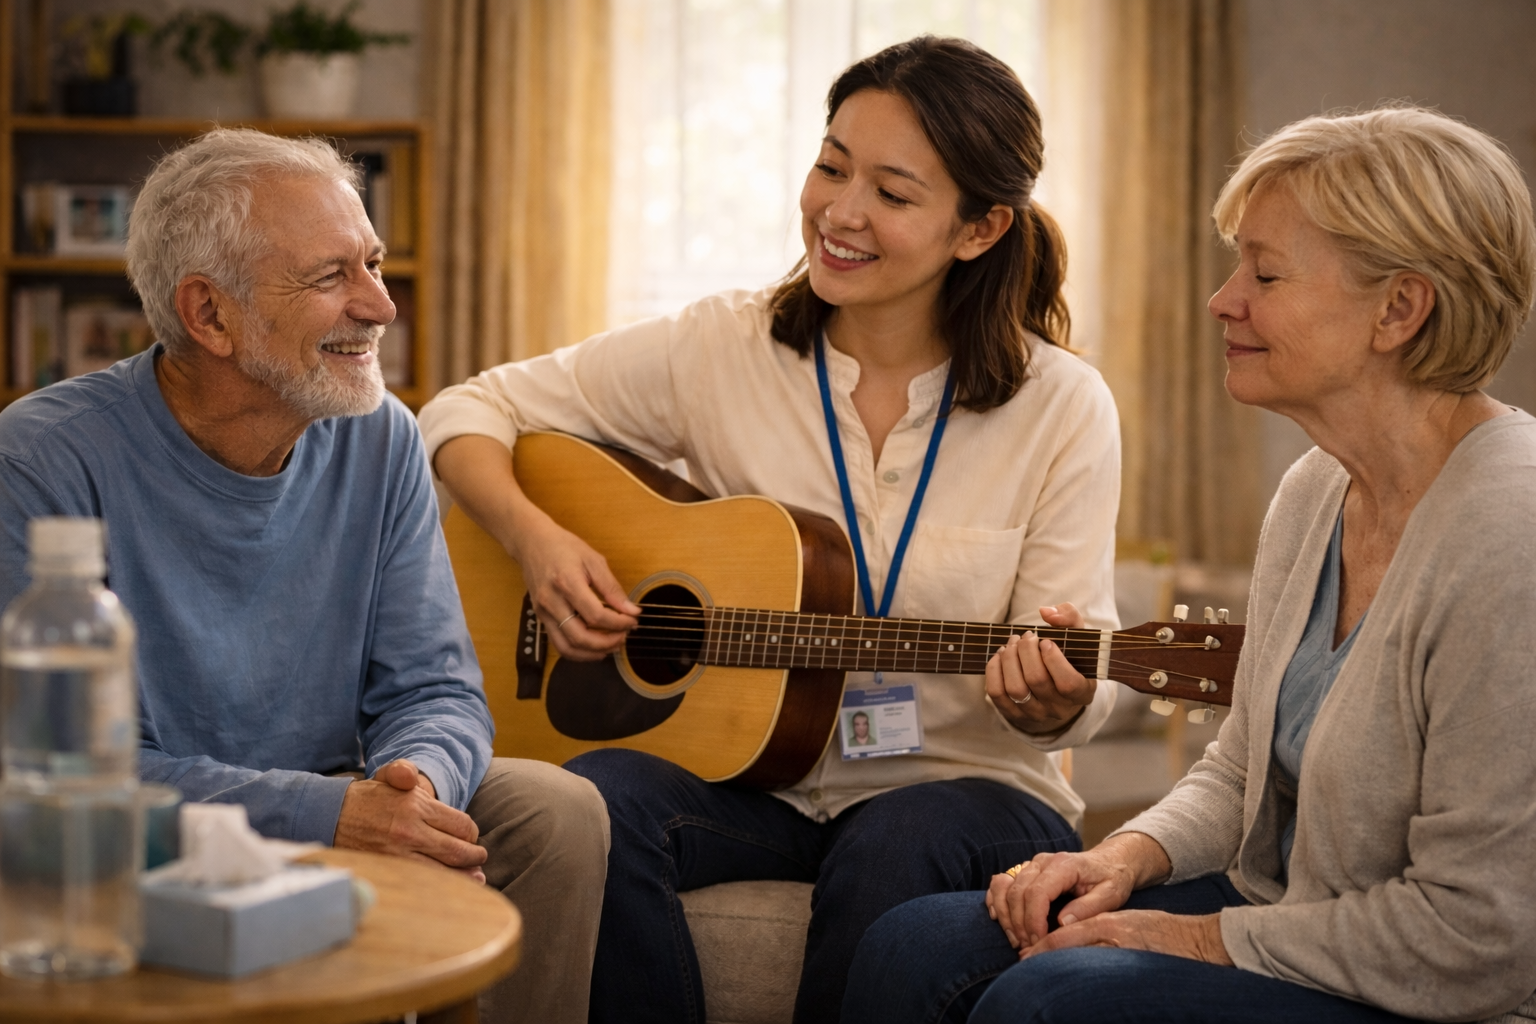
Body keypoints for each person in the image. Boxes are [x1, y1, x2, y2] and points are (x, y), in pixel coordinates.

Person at [420, 36, 1121, 1024]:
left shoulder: (1063, 406)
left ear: (980, 227)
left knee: (896, 840)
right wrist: (538, 542)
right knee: (591, 799)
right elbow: (462, 410)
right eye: (832, 165)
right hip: (750, 782)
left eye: (892, 190)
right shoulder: (720, 346)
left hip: (961, 788)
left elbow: (1078, 680)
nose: (839, 211)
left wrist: (1053, 700)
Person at [841, 105, 1536, 1024]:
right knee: (913, 941)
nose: (1223, 299)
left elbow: (1477, 938)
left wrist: (1182, 938)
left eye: (1267, 273)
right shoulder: (1316, 488)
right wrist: (1116, 861)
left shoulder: (1511, 532)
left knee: (1055, 1001)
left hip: (1435, 988)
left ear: (1399, 308)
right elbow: (1235, 774)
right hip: (1285, 918)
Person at [0, 129, 608, 1024]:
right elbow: (65, 774)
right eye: (332, 278)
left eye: (373, 262)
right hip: (147, 836)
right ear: (209, 316)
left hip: (350, 791)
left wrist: (414, 790)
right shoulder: (42, 460)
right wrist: (330, 816)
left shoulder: (383, 436)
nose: (381, 305)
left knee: (557, 812)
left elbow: (435, 686)